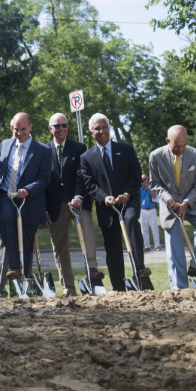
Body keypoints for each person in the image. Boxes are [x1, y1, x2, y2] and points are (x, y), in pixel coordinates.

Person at [80, 113, 150, 292]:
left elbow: (136, 175)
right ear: (90, 132)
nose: (102, 131)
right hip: (107, 208)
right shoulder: (87, 157)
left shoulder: (125, 150)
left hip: (128, 202)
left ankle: (139, 269)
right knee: (113, 249)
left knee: (131, 220)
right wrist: (105, 198)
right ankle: (119, 287)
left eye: (104, 127)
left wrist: (126, 193)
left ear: (109, 129)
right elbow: (89, 184)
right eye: (97, 128)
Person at [0, 112, 52, 281]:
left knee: (27, 242)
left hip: (28, 201)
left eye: (23, 129)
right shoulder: (5, 144)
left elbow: (45, 178)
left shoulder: (43, 150)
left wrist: (29, 189)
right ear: (11, 128)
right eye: (16, 129)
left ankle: (26, 280)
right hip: (6, 195)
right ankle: (15, 267)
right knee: (6, 217)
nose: (20, 133)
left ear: (30, 127)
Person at [149, 125, 196, 289]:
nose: (181, 149)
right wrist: (169, 199)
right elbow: (154, 183)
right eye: (177, 146)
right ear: (167, 141)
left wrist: (186, 203)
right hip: (170, 208)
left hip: (193, 204)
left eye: (184, 145)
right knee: (174, 246)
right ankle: (180, 289)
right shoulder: (156, 156)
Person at [44, 113, 101, 297]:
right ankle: (69, 288)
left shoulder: (78, 147)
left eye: (64, 125)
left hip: (77, 201)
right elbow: (44, 180)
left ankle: (92, 274)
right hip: (55, 205)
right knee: (60, 247)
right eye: (57, 126)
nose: (61, 128)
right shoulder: (44, 151)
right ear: (50, 129)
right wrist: (44, 208)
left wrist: (78, 196)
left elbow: (80, 174)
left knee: (87, 234)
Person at [140, 174, 161, 252]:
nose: (143, 181)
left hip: (151, 210)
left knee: (154, 228)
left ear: (147, 180)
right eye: (142, 179)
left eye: (144, 179)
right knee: (144, 229)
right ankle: (147, 245)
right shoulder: (140, 189)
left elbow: (154, 196)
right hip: (143, 210)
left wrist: (148, 188)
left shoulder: (151, 187)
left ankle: (157, 245)